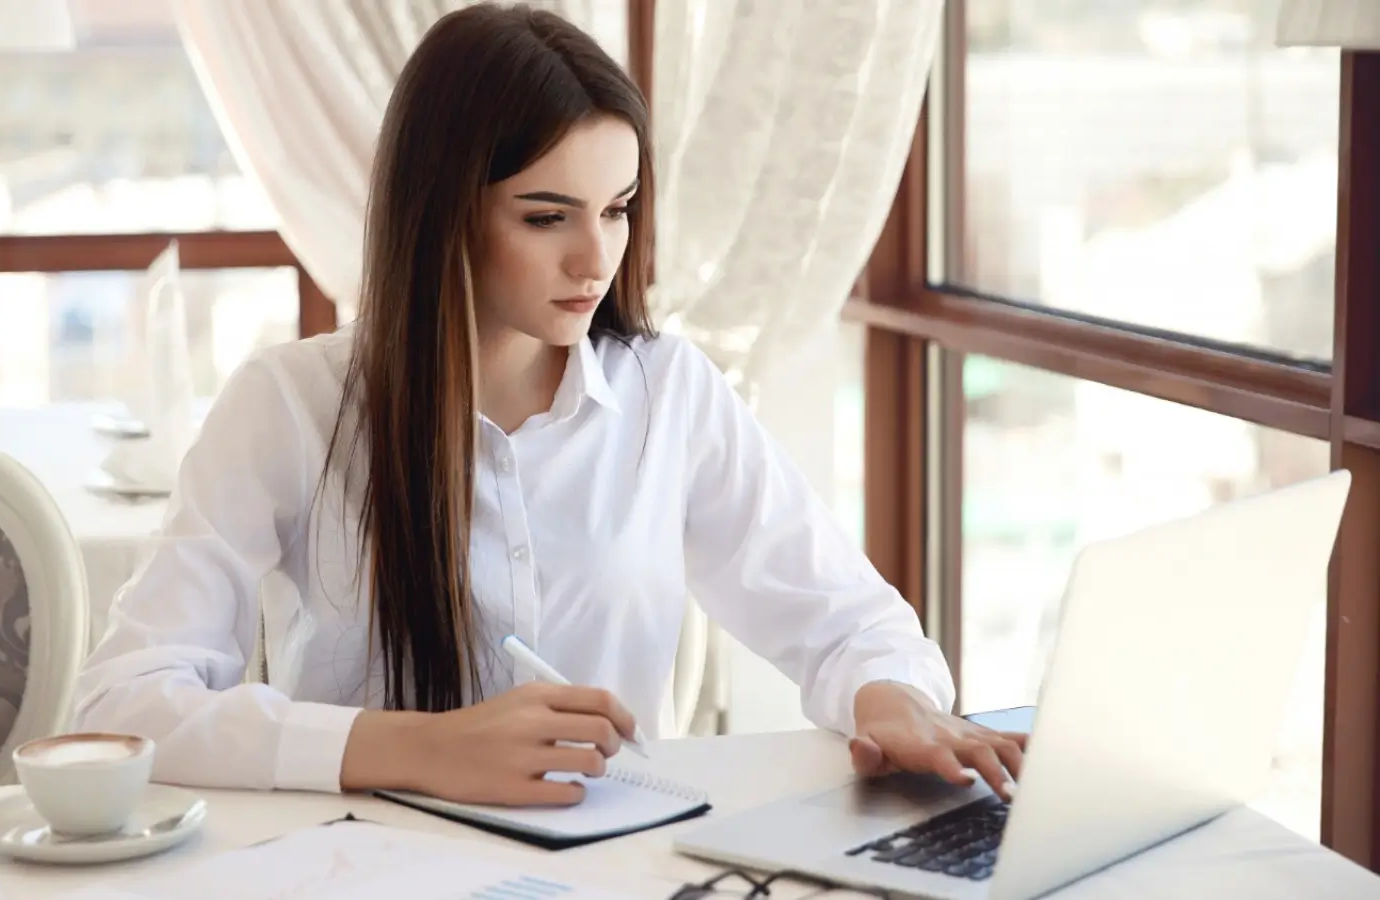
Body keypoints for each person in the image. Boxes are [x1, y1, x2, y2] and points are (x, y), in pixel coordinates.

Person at [71, 1, 1027, 807]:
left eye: (616, 208)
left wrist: (889, 695)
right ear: (442, 209)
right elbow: (121, 703)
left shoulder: (670, 395)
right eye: (546, 216)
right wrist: (415, 748)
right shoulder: (289, 406)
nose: (596, 259)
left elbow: (852, 625)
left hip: (613, 869)